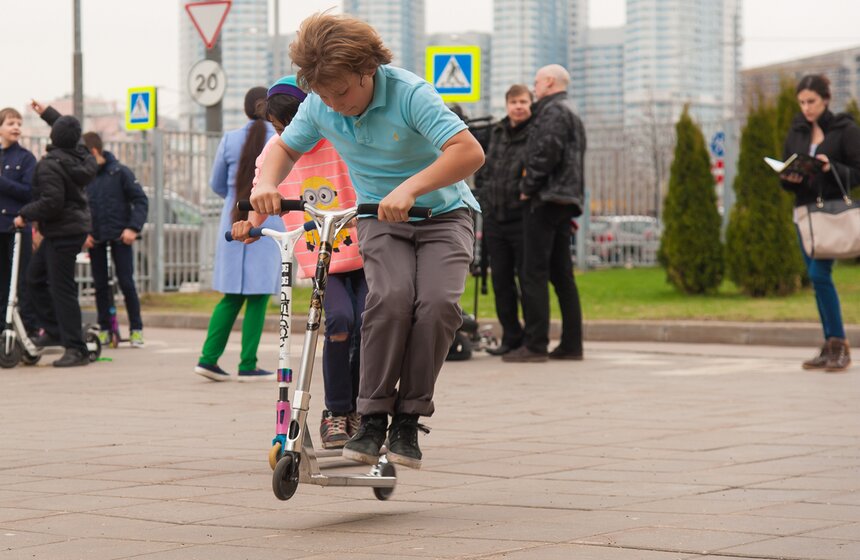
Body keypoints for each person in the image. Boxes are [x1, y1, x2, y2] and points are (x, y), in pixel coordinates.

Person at [238, 13, 484, 469]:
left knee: (437, 306)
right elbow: (285, 149)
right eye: (324, 94)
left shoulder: (410, 95)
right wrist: (266, 185)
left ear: (367, 69)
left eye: (343, 91)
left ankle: (408, 418)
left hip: (443, 215)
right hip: (379, 218)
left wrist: (410, 188)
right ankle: (371, 418)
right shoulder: (321, 103)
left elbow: (469, 151)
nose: (335, 104)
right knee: (389, 299)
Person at [242, 75, 367, 449]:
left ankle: (362, 410)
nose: (287, 135)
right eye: (279, 128)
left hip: (367, 249)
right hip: (320, 257)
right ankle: (335, 412)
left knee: (369, 325)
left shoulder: (341, 137)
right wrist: (248, 224)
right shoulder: (275, 151)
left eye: (290, 125)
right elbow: (260, 192)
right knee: (341, 321)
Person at [194, 87, 285, 382]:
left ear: (246, 110)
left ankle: (208, 359)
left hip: (232, 221)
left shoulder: (229, 139)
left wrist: (235, 198)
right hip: (265, 220)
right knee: (258, 296)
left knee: (231, 296)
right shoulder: (280, 141)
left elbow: (217, 184)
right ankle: (248, 364)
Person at [503, 64, 584, 363]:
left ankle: (535, 344)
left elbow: (545, 152)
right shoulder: (571, 111)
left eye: (537, 83)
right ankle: (572, 345)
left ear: (549, 82)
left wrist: (527, 185)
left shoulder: (551, 112)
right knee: (563, 275)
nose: (534, 88)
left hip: (545, 200)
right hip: (564, 201)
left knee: (533, 272)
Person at [781, 74, 860, 372]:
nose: (806, 108)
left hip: (832, 214)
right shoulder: (797, 132)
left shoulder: (845, 130)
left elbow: (857, 171)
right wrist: (788, 178)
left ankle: (839, 345)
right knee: (817, 280)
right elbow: (789, 176)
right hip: (804, 214)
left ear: (826, 99)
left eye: (811, 101)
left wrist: (830, 167)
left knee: (819, 274)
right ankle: (829, 346)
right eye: (801, 102)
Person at [14, 104, 96, 367]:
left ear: (52, 138)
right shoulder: (82, 157)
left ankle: (76, 348)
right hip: (68, 229)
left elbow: (51, 203)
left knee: (62, 289)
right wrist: (49, 113)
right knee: (34, 278)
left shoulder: (51, 165)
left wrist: (25, 213)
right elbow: (72, 134)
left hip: (63, 230)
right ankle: (53, 331)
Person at [476, 84, 533, 356]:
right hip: (495, 218)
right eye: (514, 102)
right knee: (501, 281)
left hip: (522, 219)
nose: (519, 106)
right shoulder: (496, 131)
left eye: (523, 101)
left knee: (527, 279)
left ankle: (531, 339)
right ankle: (511, 337)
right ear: (507, 105)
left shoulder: (535, 132)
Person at [81, 132, 149, 347]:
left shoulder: (120, 173)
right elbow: (79, 207)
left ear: (94, 152)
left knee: (126, 283)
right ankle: (105, 328)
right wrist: (85, 232)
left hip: (121, 237)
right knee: (100, 285)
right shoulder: (85, 177)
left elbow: (140, 200)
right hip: (96, 238)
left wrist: (133, 228)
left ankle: (136, 328)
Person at [0, 107, 39, 336]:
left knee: (21, 282)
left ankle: (28, 329)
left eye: (18, 123)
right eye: (10, 123)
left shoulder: (25, 158)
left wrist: (2, 182)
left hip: (16, 228)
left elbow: (30, 192)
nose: (16, 127)